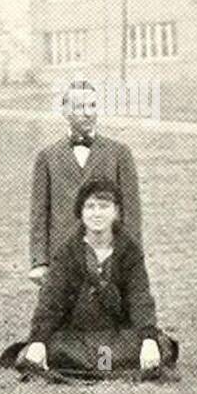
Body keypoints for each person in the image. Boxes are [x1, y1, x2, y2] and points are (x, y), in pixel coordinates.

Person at [1, 178, 177, 379]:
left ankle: (95, 366)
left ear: (116, 211)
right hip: (77, 335)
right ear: (81, 213)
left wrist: (147, 339)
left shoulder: (129, 250)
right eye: (90, 207)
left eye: (104, 206)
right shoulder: (66, 252)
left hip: (117, 334)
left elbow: (139, 296)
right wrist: (39, 340)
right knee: (46, 351)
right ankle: (105, 366)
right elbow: (51, 300)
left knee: (159, 345)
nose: (97, 213)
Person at [29, 80, 142, 285]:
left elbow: (131, 213)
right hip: (62, 260)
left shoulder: (119, 153)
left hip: (107, 259)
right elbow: (39, 213)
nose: (88, 113)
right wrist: (39, 262)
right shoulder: (47, 157)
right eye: (80, 107)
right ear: (65, 111)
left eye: (92, 106)